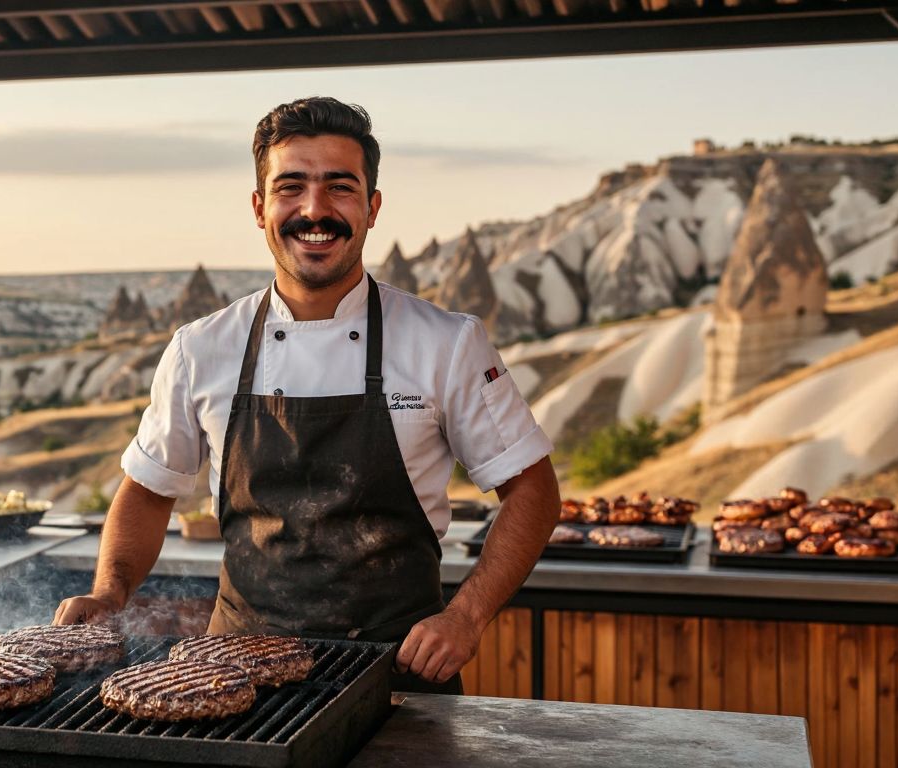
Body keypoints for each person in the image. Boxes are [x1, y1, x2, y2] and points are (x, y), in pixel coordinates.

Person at [56, 96, 560, 693]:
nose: (314, 210)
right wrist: (110, 591)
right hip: (232, 679)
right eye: (290, 186)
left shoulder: (447, 343)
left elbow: (533, 491)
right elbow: (147, 491)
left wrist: (465, 616)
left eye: (340, 188)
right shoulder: (201, 348)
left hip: (397, 674)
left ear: (373, 208)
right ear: (259, 206)